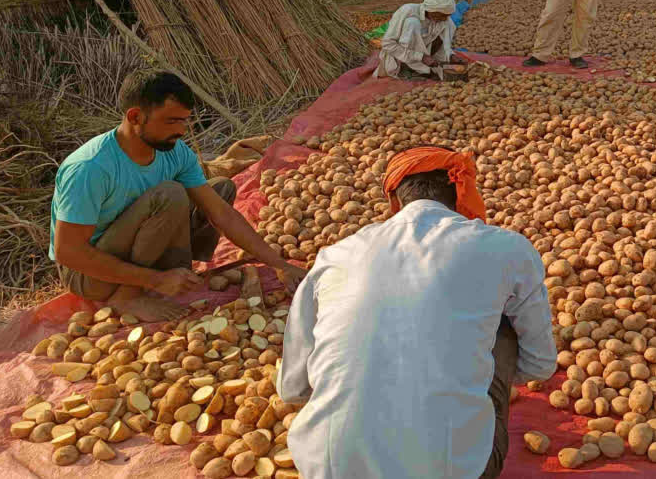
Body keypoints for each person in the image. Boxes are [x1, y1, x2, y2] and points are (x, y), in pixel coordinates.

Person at [278, 146, 557, 479]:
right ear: (461, 190)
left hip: (326, 469)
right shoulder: (506, 247)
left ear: (394, 198)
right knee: (501, 321)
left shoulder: (333, 256)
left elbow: (292, 390)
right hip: (454, 470)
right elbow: (540, 365)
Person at [50, 71, 305, 321]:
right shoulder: (90, 167)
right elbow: (68, 252)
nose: (182, 130)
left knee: (220, 188)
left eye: (185, 121)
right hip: (90, 275)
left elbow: (221, 213)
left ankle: (169, 274)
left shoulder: (174, 151)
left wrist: (279, 264)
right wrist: (155, 280)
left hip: (142, 249)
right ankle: (127, 296)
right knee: (170, 194)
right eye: (172, 121)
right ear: (136, 116)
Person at [375, 0, 466, 80]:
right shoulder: (407, 11)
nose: (444, 19)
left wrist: (450, 55)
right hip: (401, 55)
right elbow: (387, 44)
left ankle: (426, 69)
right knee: (412, 23)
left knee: (449, 24)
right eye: (442, 15)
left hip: (426, 55)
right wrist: (420, 57)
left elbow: (445, 45)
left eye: (447, 15)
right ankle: (405, 68)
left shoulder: (443, 20)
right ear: (431, 10)